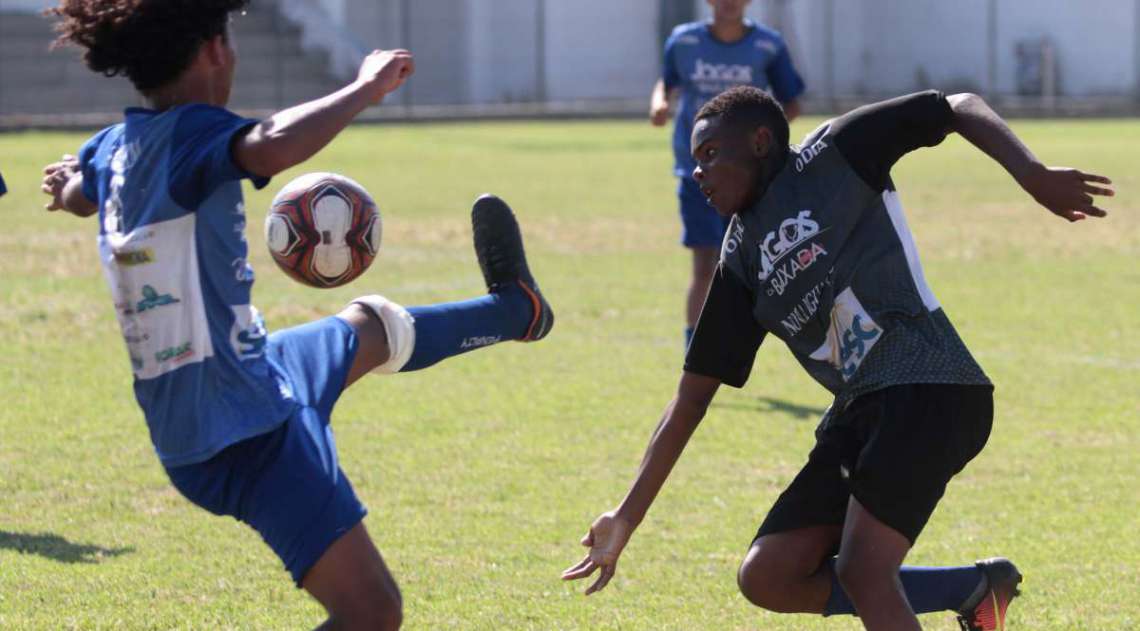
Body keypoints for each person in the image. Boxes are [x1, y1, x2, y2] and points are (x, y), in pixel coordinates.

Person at [41, 1, 552, 628]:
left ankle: (514, 310)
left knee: (370, 329)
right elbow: (271, 144)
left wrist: (68, 183)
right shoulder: (193, 137)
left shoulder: (112, 149)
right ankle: (512, 311)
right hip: (248, 432)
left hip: (230, 390)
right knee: (371, 610)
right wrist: (364, 89)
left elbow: (76, 194)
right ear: (213, 51)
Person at [563, 86, 1112, 631]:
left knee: (863, 571)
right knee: (769, 575)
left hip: (931, 384)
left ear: (759, 141)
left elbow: (957, 106)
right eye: (692, 163)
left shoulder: (837, 153)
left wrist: (1032, 174)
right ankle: (972, 588)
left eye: (709, 155)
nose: (698, 174)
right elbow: (690, 399)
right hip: (862, 410)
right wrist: (625, 518)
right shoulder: (741, 257)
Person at [651, 0, 804, 348]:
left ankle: (743, 344)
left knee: (752, 269)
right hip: (697, 177)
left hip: (748, 180)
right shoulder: (684, 41)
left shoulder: (768, 44)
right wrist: (659, 102)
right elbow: (667, 81)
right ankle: (696, 351)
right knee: (705, 265)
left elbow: (791, 102)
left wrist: (760, 139)